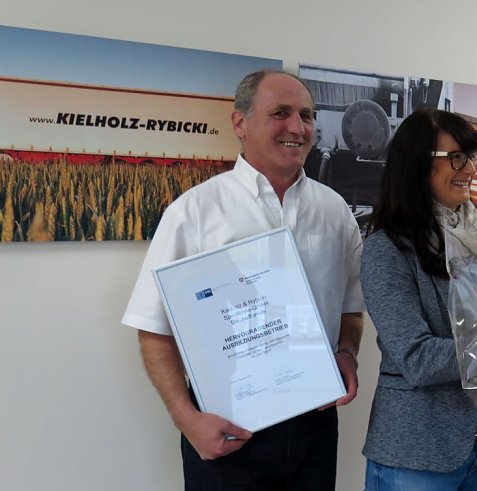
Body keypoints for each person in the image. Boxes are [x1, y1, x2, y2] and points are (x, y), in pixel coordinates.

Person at [122, 69, 365, 490]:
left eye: (306, 116)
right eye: (281, 113)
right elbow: (153, 328)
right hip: (227, 432)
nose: (297, 127)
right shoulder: (194, 212)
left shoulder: (335, 211)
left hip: (316, 428)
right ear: (240, 123)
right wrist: (189, 421)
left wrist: (346, 352)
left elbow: (351, 308)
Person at [360, 108, 477, 491]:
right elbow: (416, 358)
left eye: (472, 157)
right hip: (417, 453)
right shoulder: (387, 250)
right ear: (417, 165)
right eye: (456, 157)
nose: (469, 169)